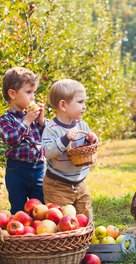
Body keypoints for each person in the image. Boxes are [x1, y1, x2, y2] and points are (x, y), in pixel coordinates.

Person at [41, 79, 98, 218]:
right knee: (60, 219)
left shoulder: (81, 124)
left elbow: (89, 143)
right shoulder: (52, 128)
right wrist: (64, 139)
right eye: (80, 102)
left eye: (84, 102)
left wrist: (93, 138)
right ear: (63, 105)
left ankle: (86, 238)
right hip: (57, 185)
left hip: (79, 182)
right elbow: (46, 152)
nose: (84, 106)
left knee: (86, 214)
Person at [0, 67, 46, 214]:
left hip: (38, 168)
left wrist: (42, 121)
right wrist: (26, 121)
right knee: (18, 209)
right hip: (17, 170)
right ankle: (19, 236)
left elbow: (50, 137)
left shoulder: (34, 117)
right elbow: (10, 139)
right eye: (28, 92)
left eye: (34, 93)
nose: (32, 97)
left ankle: (37, 235)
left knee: (40, 208)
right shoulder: (6, 119)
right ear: (12, 94)